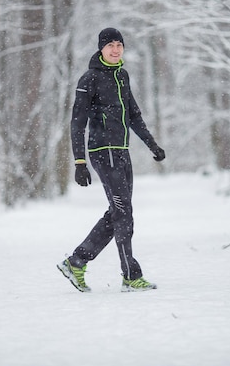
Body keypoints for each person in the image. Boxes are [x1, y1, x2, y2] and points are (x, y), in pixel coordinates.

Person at [57, 28, 165, 293]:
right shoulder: (89, 79)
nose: (115, 50)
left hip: (121, 150)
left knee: (119, 212)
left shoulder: (122, 76)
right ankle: (130, 275)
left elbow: (133, 115)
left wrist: (152, 144)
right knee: (124, 213)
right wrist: (79, 162)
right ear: (101, 48)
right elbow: (77, 122)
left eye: (119, 45)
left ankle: (77, 261)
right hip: (102, 151)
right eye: (110, 45)